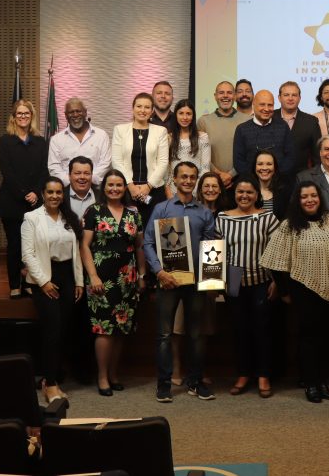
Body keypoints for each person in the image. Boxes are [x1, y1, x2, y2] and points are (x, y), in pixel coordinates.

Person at [260, 180, 329, 403]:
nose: (310, 200)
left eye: (313, 195)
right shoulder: (289, 225)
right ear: (298, 200)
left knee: (327, 336)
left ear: (319, 198)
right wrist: (284, 292)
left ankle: (322, 381)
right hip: (303, 289)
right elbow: (274, 261)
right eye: (304, 197)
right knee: (309, 336)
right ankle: (311, 383)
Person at [143, 161, 218, 402]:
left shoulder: (204, 213)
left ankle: (195, 382)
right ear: (174, 180)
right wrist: (159, 272)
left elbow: (210, 248)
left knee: (196, 334)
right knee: (164, 335)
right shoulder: (162, 209)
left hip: (195, 283)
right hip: (168, 281)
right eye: (183, 176)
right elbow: (148, 243)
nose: (187, 180)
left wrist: (210, 282)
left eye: (192, 177)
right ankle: (164, 384)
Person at [78, 169, 146, 396]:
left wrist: (142, 275)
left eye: (119, 185)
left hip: (127, 278)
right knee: (104, 329)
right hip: (101, 279)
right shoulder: (93, 211)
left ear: (124, 188)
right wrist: (93, 276)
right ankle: (102, 376)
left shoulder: (133, 213)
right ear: (104, 187)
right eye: (110, 185)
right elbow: (84, 245)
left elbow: (139, 247)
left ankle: (114, 374)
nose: (115, 189)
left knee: (120, 328)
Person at [20, 176, 83, 403]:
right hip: (45, 278)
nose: (54, 196)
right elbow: (28, 255)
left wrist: (79, 281)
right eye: (50, 192)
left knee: (63, 330)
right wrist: (44, 282)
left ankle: (51, 377)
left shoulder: (69, 218)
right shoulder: (31, 218)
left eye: (58, 192)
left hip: (67, 277)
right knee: (52, 331)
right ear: (43, 194)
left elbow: (76, 252)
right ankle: (51, 383)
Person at [217, 177, 281, 398]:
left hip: (262, 280)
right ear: (234, 194)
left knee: (263, 329)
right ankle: (243, 374)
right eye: (240, 192)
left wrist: (277, 281)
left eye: (249, 192)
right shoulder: (222, 218)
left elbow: (278, 250)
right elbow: (215, 251)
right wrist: (215, 282)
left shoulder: (267, 218)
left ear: (257, 195)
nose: (244, 196)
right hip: (233, 280)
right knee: (239, 329)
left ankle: (263, 375)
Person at [0, 99, 48, 298]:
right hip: (12, 202)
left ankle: (29, 283)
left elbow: (44, 170)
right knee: (15, 246)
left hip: (35, 202)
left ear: (31, 116)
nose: (23, 116)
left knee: (33, 246)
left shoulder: (40, 142)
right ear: (14, 117)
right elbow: (7, 172)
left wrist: (36, 192)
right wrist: (24, 193)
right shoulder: (5, 141)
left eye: (27, 113)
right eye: (19, 113)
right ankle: (15, 285)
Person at [112, 92, 169, 219]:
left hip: (154, 190)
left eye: (147, 107)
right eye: (139, 106)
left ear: (152, 111)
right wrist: (130, 186)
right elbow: (116, 161)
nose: (142, 110)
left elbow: (163, 162)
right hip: (127, 190)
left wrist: (148, 186)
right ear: (133, 108)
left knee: (155, 227)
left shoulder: (161, 131)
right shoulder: (120, 130)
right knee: (128, 227)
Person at [197, 81, 251, 190]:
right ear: (215, 96)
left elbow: (249, 152)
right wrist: (218, 174)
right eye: (221, 93)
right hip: (212, 183)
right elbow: (200, 153)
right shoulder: (203, 121)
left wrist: (231, 174)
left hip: (240, 182)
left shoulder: (247, 120)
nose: (225, 96)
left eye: (229, 93)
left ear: (235, 96)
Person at [48, 98, 112, 186]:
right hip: (67, 189)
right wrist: (72, 182)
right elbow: (54, 167)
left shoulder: (101, 135)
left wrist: (88, 180)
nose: (75, 115)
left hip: (95, 188)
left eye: (78, 111)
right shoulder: (56, 139)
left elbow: (106, 163)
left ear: (85, 112)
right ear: (66, 115)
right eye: (71, 112)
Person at [233, 90, 294, 178]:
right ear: (253, 105)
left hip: (279, 182)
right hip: (251, 183)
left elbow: (290, 157)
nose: (266, 109)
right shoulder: (242, 129)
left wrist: (275, 178)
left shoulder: (283, 126)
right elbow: (238, 161)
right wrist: (254, 180)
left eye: (270, 105)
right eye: (262, 104)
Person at [165, 99, 212, 194]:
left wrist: (199, 191)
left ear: (193, 116)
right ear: (176, 115)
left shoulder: (203, 137)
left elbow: (205, 168)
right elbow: (167, 170)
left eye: (188, 114)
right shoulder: (168, 138)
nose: (185, 117)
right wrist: (168, 192)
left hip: (196, 190)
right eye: (181, 113)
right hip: (174, 190)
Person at [277, 80, 323, 173]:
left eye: (294, 95)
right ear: (279, 98)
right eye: (286, 95)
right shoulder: (270, 118)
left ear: (299, 98)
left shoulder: (311, 121)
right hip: (272, 176)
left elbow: (317, 156)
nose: (290, 98)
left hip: (302, 176)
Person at [252, 150, 290, 219]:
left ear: (275, 167)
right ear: (255, 167)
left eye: (269, 164)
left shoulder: (284, 192)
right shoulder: (248, 191)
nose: (264, 168)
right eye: (260, 164)